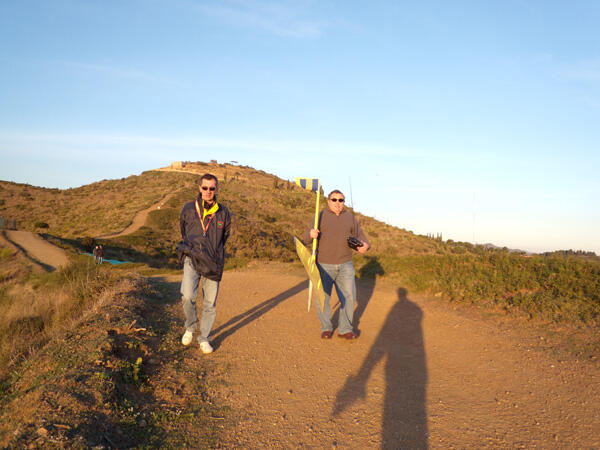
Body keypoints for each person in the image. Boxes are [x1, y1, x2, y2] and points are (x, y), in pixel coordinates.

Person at [303, 189, 370, 340]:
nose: (338, 203)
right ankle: (326, 328)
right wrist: (311, 235)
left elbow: (361, 237)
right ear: (328, 201)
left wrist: (365, 246)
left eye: (341, 200)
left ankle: (345, 329)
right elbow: (305, 239)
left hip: (346, 264)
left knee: (349, 296)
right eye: (334, 200)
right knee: (323, 298)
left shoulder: (350, 217)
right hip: (323, 265)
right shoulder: (319, 216)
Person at [176, 173, 231, 354]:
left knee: (210, 304)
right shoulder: (188, 209)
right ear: (199, 188)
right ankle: (191, 326)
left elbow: (224, 237)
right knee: (187, 296)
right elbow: (183, 230)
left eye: (212, 188)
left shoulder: (223, 212)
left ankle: (204, 338)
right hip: (192, 258)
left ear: (216, 189)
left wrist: (213, 250)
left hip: (213, 263)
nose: (208, 191)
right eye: (205, 187)